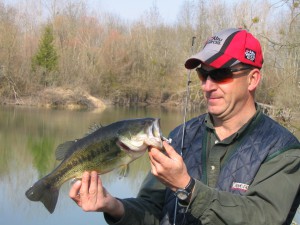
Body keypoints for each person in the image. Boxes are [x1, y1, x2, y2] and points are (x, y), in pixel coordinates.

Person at [69, 28, 300, 225]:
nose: (207, 86)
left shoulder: (283, 150)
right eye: (202, 74)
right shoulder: (179, 137)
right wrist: (114, 206)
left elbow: (265, 216)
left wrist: (187, 188)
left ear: (253, 79)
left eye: (220, 74)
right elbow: (153, 210)